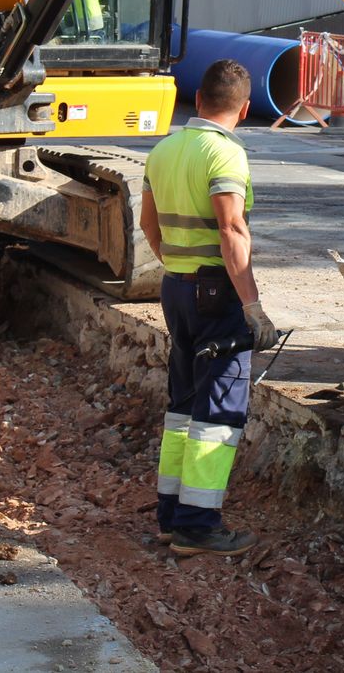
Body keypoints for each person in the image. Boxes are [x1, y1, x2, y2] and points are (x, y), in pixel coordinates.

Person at [139, 59, 276, 557]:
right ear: (245, 108)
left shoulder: (164, 150)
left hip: (176, 288)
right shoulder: (225, 154)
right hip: (216, 295)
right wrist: (252, 305)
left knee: (184, 404)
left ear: (198, 100)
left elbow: (148, 225)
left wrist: (178, 266)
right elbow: (231, 228)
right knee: (218, 408)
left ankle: (172, 516)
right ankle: (198, 526)